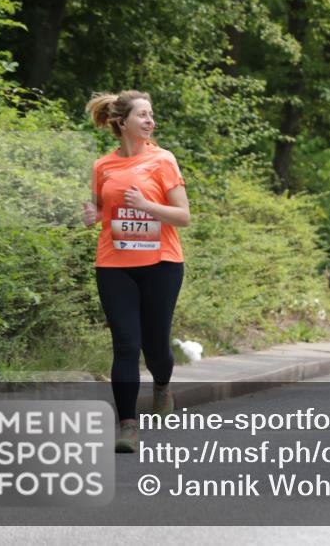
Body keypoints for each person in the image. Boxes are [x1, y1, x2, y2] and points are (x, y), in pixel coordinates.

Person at [83, 90, 190, 454]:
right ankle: (127, 425)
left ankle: (162, 386)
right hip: (115, 265)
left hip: (162, 264)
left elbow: (183, 216)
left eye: (151, 114)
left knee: (156, 346)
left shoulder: (163, 160)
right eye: (143, 115)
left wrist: (146, 205)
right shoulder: (102, 166)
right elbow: (103, 209)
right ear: (122, 122)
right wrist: (93, 215)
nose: (150, 121)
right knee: (126, 344)